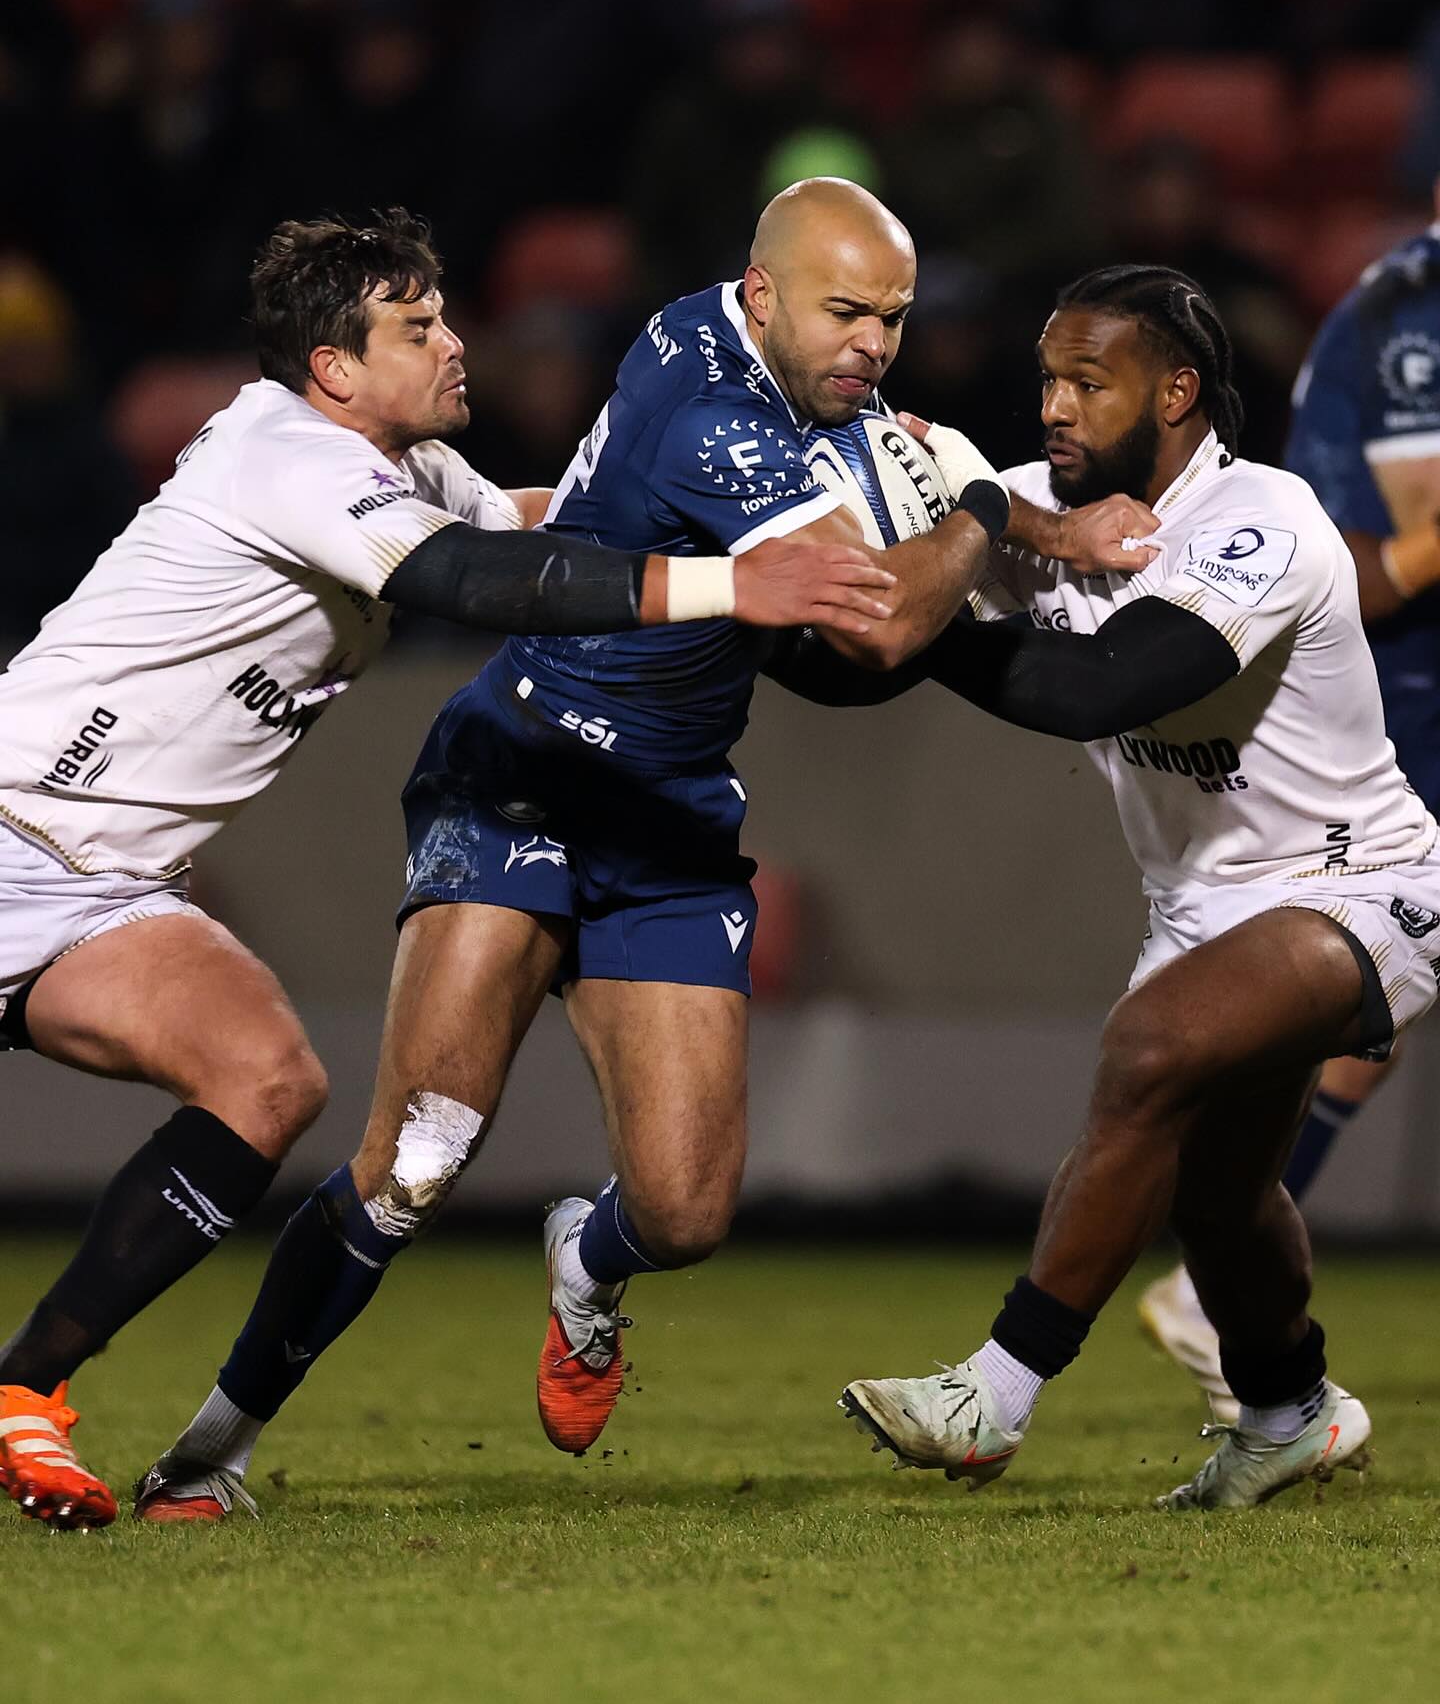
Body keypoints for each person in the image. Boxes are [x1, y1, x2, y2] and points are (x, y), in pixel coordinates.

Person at [137, 178, 1154, 1522]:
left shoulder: (773, 372)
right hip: (522, 774)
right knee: (420, 1153)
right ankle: (211, 1450)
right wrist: (982, 498)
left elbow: (888, 460)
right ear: (762, 294)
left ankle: (586, 1257)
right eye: (848, 310)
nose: (874, 344)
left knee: (681, 1215)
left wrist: (1033, 516)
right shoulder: (715, 412)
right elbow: (888, 627)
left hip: (668, 810)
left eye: (895, 318)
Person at [0, 207, 893, 1532]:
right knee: (362, 1118)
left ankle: (26, 1394)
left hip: (109, 889)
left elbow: (544, 524)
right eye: (418, 329)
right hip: (13, 828)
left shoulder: (396, 469)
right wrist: (732, 586)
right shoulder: (285, 455)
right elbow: (481, 577)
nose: (456, 345)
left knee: (267, 1077)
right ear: (336, 368)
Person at [840, 263, 1440, 1509]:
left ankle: (993, 1395)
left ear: (1176, 393)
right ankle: (1290, 1410)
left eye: (1086, 382)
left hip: (1361, 882)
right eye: (1047, 379)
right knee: (1223, 1203)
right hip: (1199, 910)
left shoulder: (1263, 518)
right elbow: (879, 624)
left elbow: (1096, 688)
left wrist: (950, 590)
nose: (1054, 406)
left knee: (1151, 1049)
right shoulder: (1031, 505)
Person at [1139, 187, 1440, 1420]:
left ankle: (1217, 1273)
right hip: (1408, 691)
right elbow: (1415, 543)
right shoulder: (1416, 317)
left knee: (1382, 1002)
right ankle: (1221, 1270)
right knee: (1375, 976)